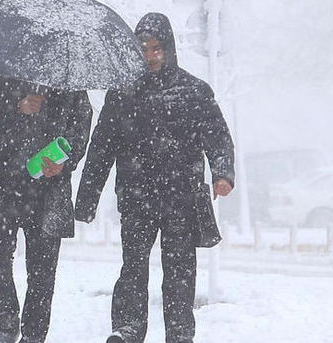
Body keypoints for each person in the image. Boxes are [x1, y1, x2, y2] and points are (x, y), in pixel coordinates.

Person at [75, 13, 235, 343]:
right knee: (132, 267)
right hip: (136, 198)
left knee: (179, 273)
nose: (149, 55)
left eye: (156, 48)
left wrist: (223, 174)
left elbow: (217, 136)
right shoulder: (122, 94)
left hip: (182, 198)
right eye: (143, 49)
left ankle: (179, 334)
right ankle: (128, 329)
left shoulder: (193, 91)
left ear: (168, 49)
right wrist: (86, 199)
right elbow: (101, 148)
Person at [0, 63, 92, 343]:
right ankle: (7, 323)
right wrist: (15, 107)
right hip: (0, 181)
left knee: (43, 271)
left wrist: (65, 161)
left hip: (47, 188)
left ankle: (34, 336)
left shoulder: (67, 69)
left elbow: (81, 124)